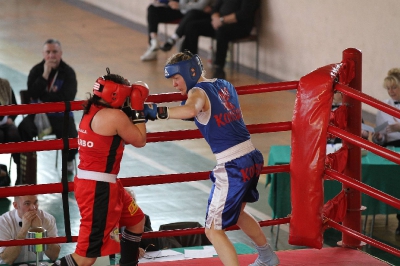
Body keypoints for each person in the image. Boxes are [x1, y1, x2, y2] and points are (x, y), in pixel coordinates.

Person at [145, 51, 279, 266]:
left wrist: (156, 111)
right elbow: (214, 116)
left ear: (190, 72)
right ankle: (267, 256)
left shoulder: (197, 91)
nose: (174, 85)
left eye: (176, 79)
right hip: (252, 157)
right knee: (238, 214)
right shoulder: (224, 84)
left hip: (233, 165)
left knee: (213, 230)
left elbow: (191, 109)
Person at [54, 68, 150, 266]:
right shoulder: (114, 117)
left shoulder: (91, 110)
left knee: (135, 220)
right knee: (86, 256)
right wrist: (138, 107)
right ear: (116, 95)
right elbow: (140, 139)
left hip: (102, 184)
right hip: (98, 190)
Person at [17, 39, 78, 175]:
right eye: (48, 52)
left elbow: (68, 97)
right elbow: (31, 93)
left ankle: (68, 161)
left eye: (55, 52)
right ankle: (26, 161)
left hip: (61, 115)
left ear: (60, 53)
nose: (51, 55)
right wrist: (45, 75)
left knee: (73, 138)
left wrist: (43, 97)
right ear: (43, 54)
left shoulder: (68, 73)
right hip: (39, 114)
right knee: (22, 129)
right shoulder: (37, 70)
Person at [177, 0, 260, 79]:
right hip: (220, 23)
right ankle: (188, 63)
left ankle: (219, 69)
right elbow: (215, 8)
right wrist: (216, 19)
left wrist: (222, 20)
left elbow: (244, 13)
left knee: (222, 31)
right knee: (192, 26)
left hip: (239, 26)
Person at [371, 68, 400, 235]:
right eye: (388, 88)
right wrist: (378, 137)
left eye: (394, 88)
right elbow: (379, 138)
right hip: (391, 148)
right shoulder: (383, 106)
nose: (391, 92)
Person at [141, 0, 214, 61]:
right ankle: (154, 42)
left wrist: (185, 6)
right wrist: (187, 6)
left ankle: (174, 39)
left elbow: (200, 6)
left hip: (199, 15)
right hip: (184, 11)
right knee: (152, 8)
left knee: (192, 16)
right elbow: (183, 3)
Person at [0, 195, 61, 265]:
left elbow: (54, 256)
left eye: (35, 203)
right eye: (27, 203)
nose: (33, 208)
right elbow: (8, 260)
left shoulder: (47, 219)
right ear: (16, 205)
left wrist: (39, 229)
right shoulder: (3, 222)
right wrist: (24, 230)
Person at [0, 77, 22, 184]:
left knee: (15, 134)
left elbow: (15, 106)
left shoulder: (5, 84)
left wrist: (11, 118)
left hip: (6, 123)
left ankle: (20, 172)